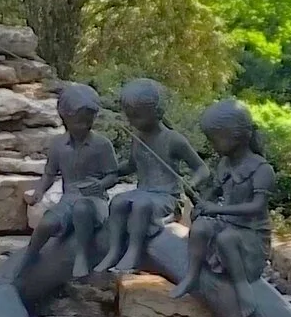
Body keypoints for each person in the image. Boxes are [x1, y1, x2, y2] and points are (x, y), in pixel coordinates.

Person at [171, 99, 275, 299]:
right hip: (227, 225)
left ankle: (242, 287)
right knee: (200, 228)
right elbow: (215, 192)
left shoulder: (261, 169)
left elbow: (257, 207)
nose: (211, 145)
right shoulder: (224, 164)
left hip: (251, 235)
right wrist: (200, 202)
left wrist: (216, 210)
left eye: (214, 139)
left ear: (233, 136)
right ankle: (192, 276)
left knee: (226, 239)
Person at [98, 78, 202, 276]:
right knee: (118, 202)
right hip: (144, 191)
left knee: (141, 206)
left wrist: (192, 183)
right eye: (129, 117)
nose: (132, 122)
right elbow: (131, 165)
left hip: (166, 196)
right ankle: (114, 250)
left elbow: (202, 169)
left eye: (137, 117)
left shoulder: (173, 139)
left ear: (156, 111)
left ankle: (134, 251)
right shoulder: (138, 138)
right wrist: (111, 171)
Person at [21, 82, 119, 279]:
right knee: (47, 223)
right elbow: (50, 173)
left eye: (88, 122)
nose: (84, 126)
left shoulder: (101, 145)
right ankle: (29, 255)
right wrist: (39, 192)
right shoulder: (58, 145)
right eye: (79, 122)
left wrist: (100, 185)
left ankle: (82, 256)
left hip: (94, 200)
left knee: (82, 209)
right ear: (64, 118)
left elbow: (113, 175)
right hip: (68, 199)